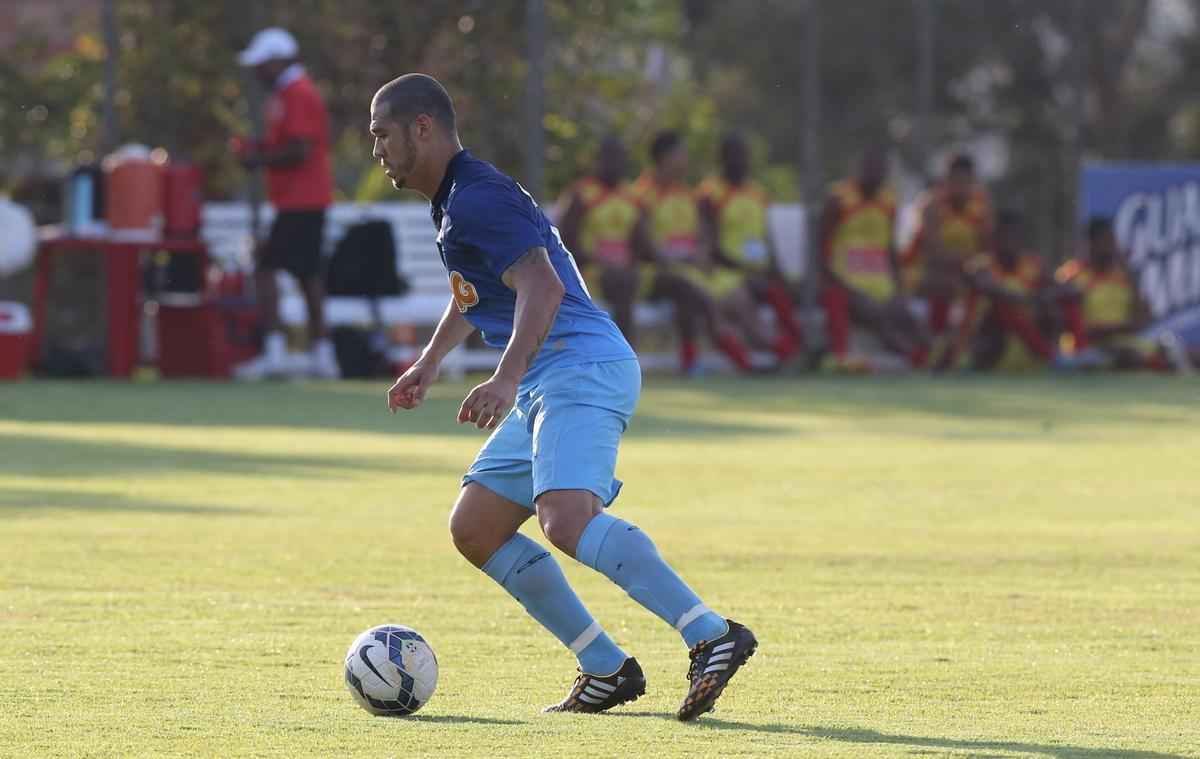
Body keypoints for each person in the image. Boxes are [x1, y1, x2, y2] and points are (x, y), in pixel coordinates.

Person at [372, 74, 756, 719]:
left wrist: (506, 376)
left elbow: (542, 290)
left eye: (383, 134)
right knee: (477, 527)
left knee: (565, 519)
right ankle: (606, 669)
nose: (376, 150)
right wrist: (430, 362)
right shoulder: (456, 199)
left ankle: (711, 634)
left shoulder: (475, 200)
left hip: (580, 367)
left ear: (423, 128)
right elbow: (476, 291)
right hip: (554, 375)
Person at [234, 27, 338, 379]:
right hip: (299, 201)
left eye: (262, 64)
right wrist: (259, 150)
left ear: (278, 61)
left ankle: (277, 352)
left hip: (302, 201)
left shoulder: (297, 92)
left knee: (266, 267)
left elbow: (300, 149)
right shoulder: (288, 92)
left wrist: (257, 160)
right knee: (307, 274)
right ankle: (322, 356)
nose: (258, 71)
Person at [631, 131, 755, 374]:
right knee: (692, 293)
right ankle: (735, 359)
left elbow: (704, 235)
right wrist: (679, 258)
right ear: (664, 158)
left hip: (693, 267)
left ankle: (776, 352)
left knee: (739, 295)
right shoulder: (640, 195)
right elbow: (644, 245)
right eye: (681, 154)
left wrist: (703, 252)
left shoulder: (689, 194)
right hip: (658, 271)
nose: (686, 159)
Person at [697, 133, 801, 364]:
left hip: (758, 271)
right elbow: (709, 245)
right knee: (744, 304)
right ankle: (774, 355)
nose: (741, 162)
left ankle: (796, 349)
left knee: (783, 292)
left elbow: (767, 238)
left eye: (744, 156)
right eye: (734, 156)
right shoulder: (710, 194)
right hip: (727, 272)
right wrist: (744, 269)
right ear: (722, 159)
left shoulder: (758, 193)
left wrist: (777, 270)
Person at [818, 146, 924, 370]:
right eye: (870, 168)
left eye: (881, 170)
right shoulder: (838, 199)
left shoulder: (888, 201)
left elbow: (891, 251)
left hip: (882, 285)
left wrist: (899, 291)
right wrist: (842, 287)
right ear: (858, 170)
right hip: (849, 285)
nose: (876, 174)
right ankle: (915, 362)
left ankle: (930, 358)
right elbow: (820, 253)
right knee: (879, 317)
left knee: (909, 319)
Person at [903, 154, 994, 363]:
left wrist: (975, 266)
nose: (961, 187)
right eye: (956, 181)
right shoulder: (931, 206)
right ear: (946, 181)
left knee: (985, 284)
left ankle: (959, 348)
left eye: (966, 182)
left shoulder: (981, 206)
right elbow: (933, 254)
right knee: (948, 282)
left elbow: (987, 249)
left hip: (964, 274)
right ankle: (936, 348)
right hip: (922, 272)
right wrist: (968, 263)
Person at [939, 211, 1053, 371]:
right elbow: (990, 289)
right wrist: (1028, 300)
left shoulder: (1033, 265)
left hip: (1022, 343)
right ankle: (1053, 357)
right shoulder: (979, 267)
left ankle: (1065, 354)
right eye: (1005, 236)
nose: (1010, 242)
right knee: (1002, 306)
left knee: (1053, 309)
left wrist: (1042, 302)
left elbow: (1054, 292)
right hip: (981, 344)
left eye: (1015, 236)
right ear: (995, 239)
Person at [1054, 218, 1175, 370]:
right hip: (1088, 348)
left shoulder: (1123, 275)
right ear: (1090, 243)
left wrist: (1131, 277)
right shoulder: (1072, 275)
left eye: (1112, 240)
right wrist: (1119, 328)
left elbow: (1144, 318)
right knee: (1131, 356)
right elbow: (1071, 325)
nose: (1111, 246)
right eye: (1105, 240)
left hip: (1125, 341)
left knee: (1172, 350)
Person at [556, 136, 642, 344]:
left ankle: (622, 351)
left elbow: (642, 244)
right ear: (598, 161)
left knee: (629, 278)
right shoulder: (581, 194)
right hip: (588, 272)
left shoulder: (631, 196)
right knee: (622, 280)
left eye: (620, 159)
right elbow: (563, 243)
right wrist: (598, 259)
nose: (616, 164)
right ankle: (621, 350)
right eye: (610, 158)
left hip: (627, 271)